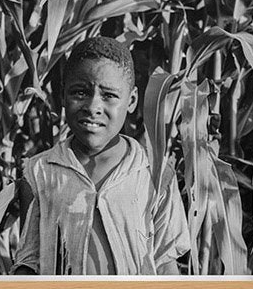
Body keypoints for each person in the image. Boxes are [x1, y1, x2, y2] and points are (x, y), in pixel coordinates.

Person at [12, 37, 189, 275]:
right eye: (80, 92)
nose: (93, 106)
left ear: (132, 101)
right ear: (63, 95)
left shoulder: (155, 174)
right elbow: (29, 261)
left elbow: (166, 263)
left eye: (109, 96)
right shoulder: (40, 172)